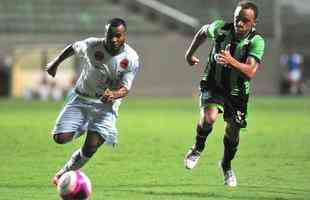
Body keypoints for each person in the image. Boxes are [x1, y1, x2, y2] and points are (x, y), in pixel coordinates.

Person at [46, 18, 140, 185]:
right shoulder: (92, 45)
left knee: (91, 147)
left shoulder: (131, 58)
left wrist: (114, 94)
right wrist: (55, 63)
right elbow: (74, 47)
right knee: (60, 138)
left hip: (106, 106)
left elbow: (126, 88)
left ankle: (64, 173)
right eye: (110, 35)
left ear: (125, 35)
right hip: (81, 98)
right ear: (105, 33)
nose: (113, 39)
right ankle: (84, 125)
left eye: (118, 36)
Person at [184, 1, 265, 187]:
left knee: (233, 132)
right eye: (237, 19)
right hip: (213, 83)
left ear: (254, 23)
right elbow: (203, 31)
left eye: (245, 21)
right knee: (209, 117)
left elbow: (251, 71)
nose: (240, 24)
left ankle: (226, 165)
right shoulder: (220, 28)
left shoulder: (256, 41)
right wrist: (189, 54)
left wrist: (231, 61)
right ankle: (197, 148)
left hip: (237, 93)